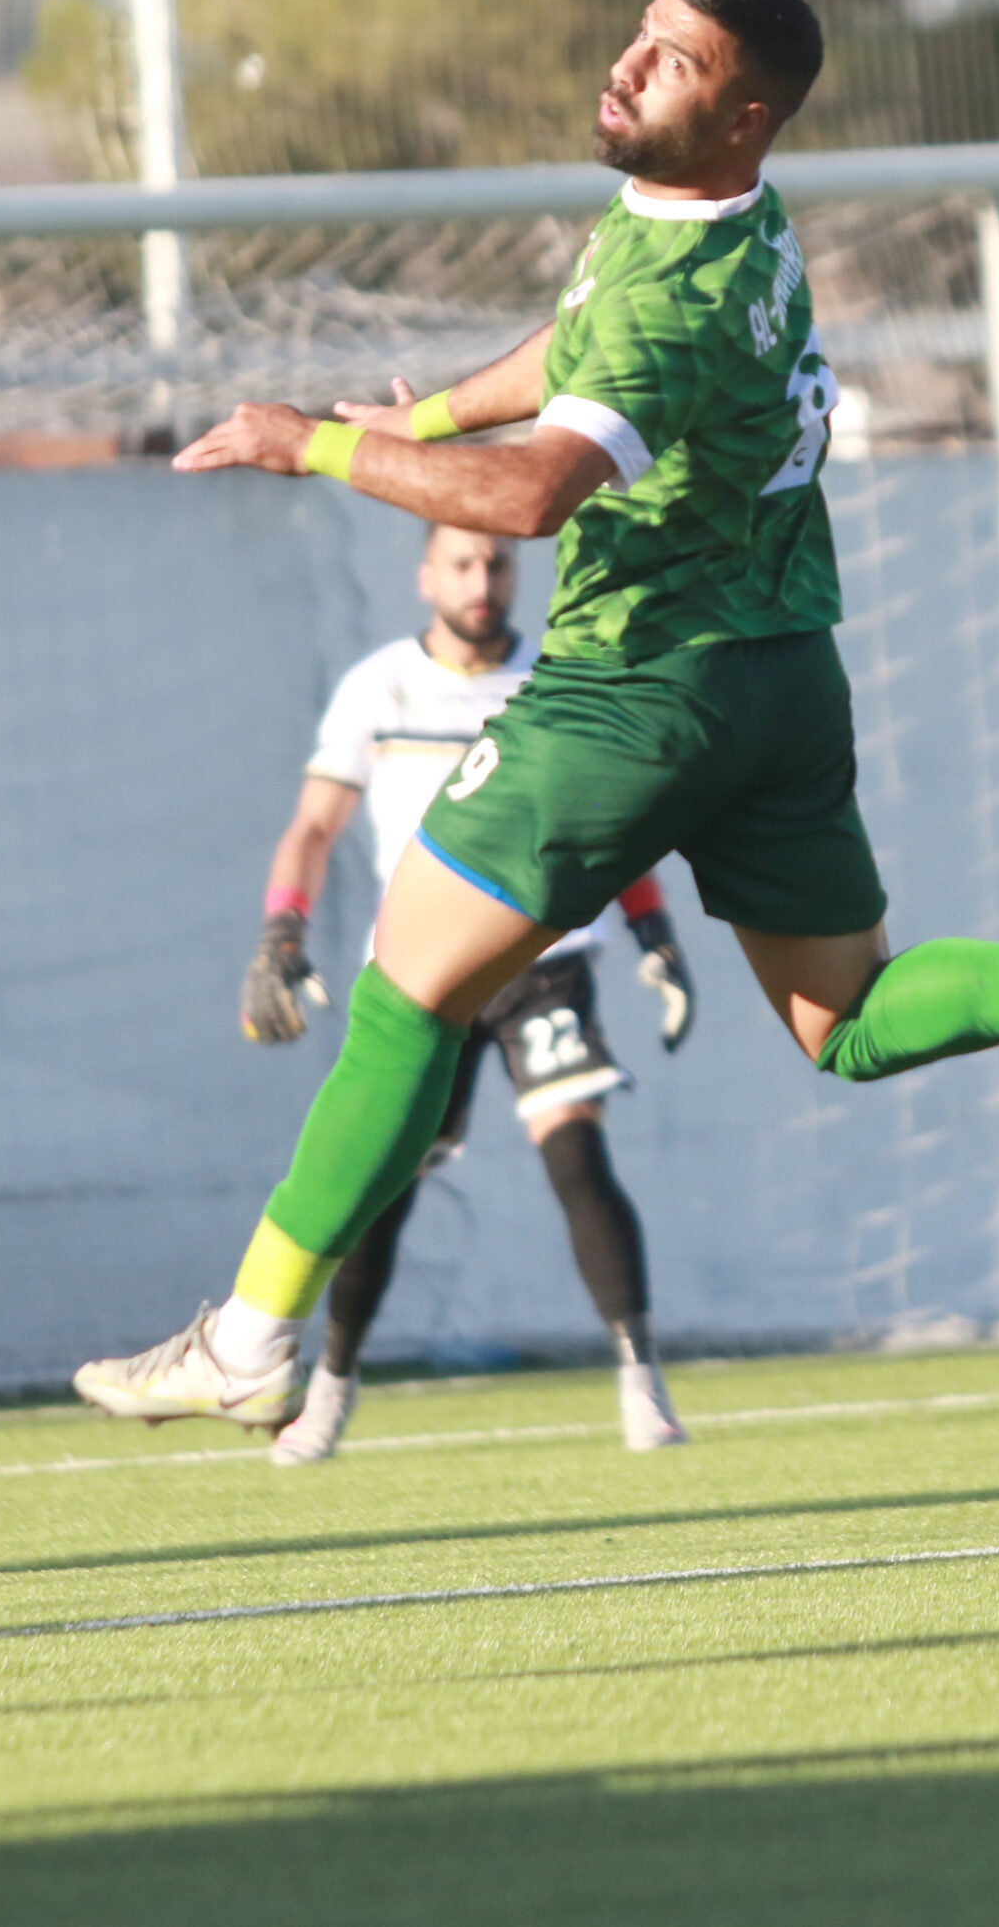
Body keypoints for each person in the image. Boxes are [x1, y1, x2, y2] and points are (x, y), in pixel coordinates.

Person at [74, 0, 999, 1436]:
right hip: (783, 680)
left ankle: (252, 1336)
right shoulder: (722, 220)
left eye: (673, 60)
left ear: (745, 115)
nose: (629, 63)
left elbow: (533, 497)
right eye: (642, 36)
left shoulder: (670, 297)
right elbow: (574, 345)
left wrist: (315, 448)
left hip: (635, 689)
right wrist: (428, 415)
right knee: (847, 1018)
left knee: (410, 991)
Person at [243, 521, 697, 1463]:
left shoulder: (556, 681)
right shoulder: (379, 687)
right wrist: (282, 930)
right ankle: (331, 1387)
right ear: (426, 575)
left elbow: (607, 825)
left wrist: (654, 932)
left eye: (496, 562)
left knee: (576, 1158)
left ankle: (642, 1383)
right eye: (461, 563)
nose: (480, 580)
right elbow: (315, 826)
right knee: (385, 1183)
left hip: (546, 956)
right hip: (425, 969)